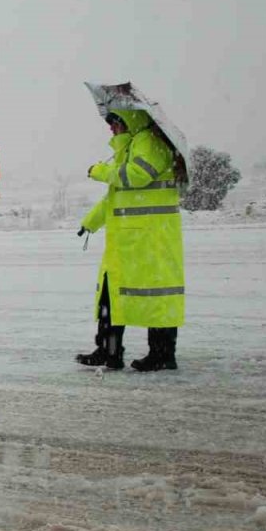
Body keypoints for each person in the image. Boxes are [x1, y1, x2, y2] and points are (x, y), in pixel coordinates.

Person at [75, 106, 185, 371]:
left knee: (156, 296)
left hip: (150, 239)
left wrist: (99, 170)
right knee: (111, 296)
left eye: (115, 122)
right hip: (130, 240)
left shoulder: (149, 142)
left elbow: (136, 177)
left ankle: (161, 355)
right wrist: (90, 222)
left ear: (129, 120)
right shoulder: (130, 146)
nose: (111, 127)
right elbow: (115, 196)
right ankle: (109, 352)